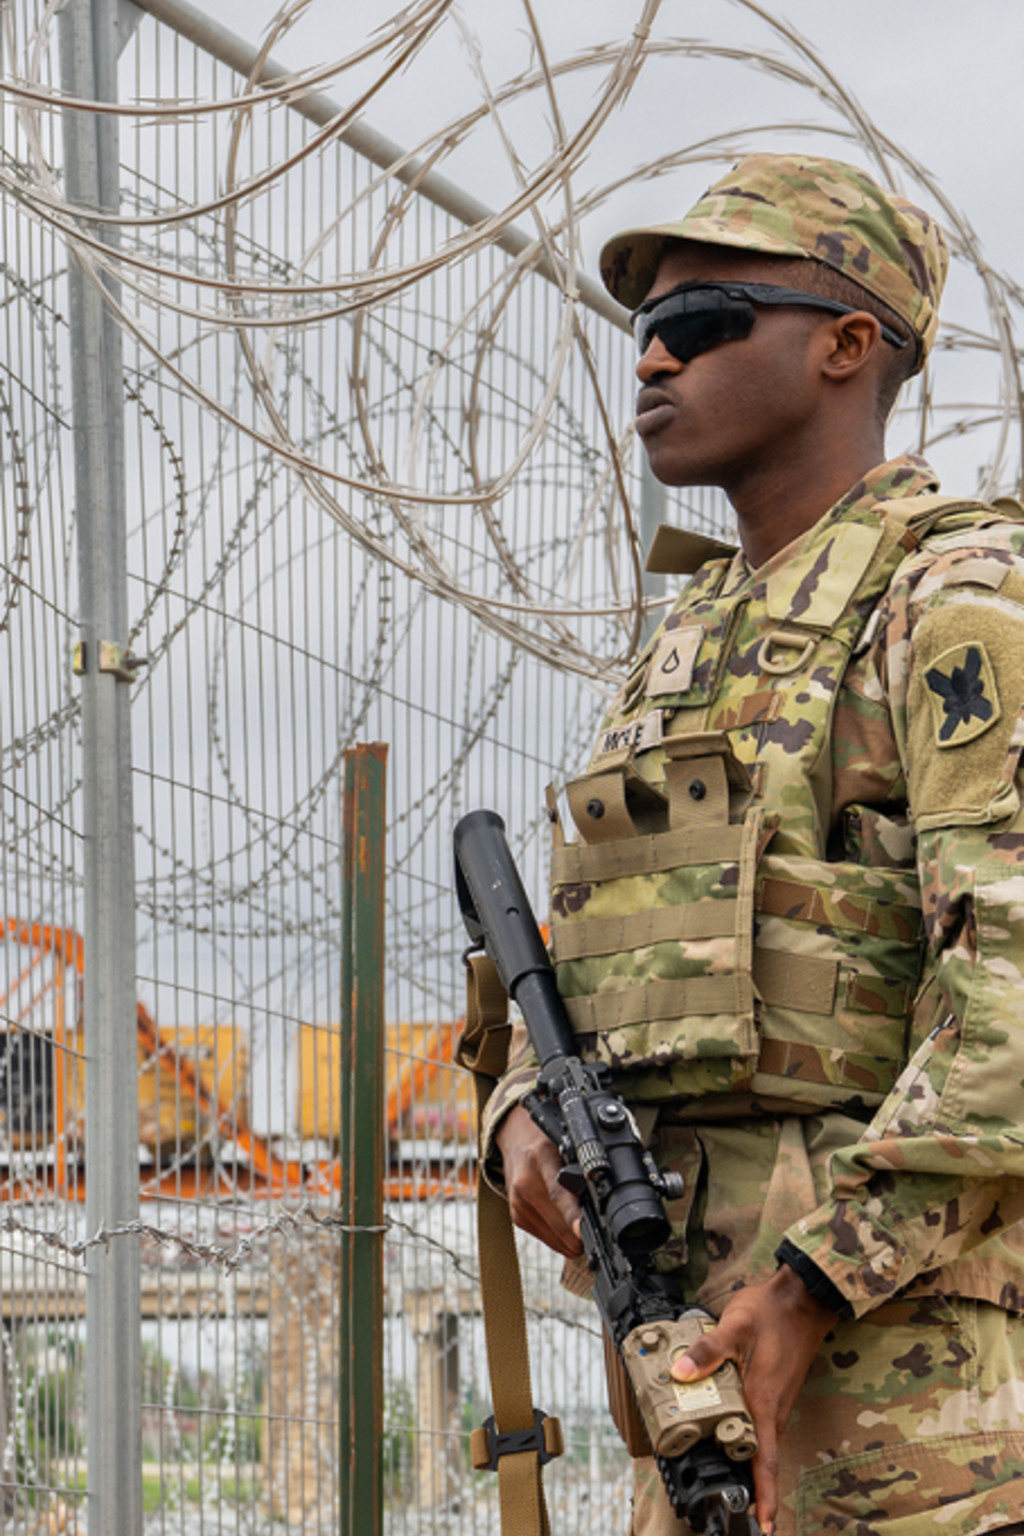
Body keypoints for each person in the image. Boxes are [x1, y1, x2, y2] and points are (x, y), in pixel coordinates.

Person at [480, 154, 1024, 1536]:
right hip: (695, 1377)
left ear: (847, 345)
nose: (652, 356)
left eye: (702, 317)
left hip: (919, 1417)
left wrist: (812, 1284)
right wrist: (516, 1116)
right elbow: (591, 969)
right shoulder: (689, 641)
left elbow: (1011, 1005)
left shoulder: (956, 601)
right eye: (643, 326)